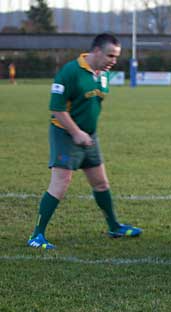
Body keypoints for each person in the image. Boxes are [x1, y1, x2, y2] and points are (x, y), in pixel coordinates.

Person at [27, 33, 141, 250]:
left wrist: (85, 133)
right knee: (61, 183)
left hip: (89, 136)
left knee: (101, 183)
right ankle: (36, 236)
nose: (113, 61)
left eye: (116, 57)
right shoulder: (69, 72)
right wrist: (76, 132)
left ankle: (114, 226)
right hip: (65, 134)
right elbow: (57, 109)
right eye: (110, 55)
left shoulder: (103, 75)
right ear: (96, 51)